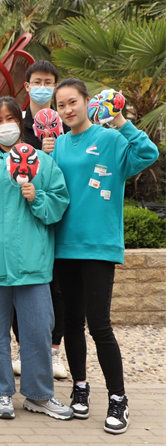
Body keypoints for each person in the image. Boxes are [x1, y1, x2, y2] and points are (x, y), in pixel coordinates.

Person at [50, 79, 158, 435]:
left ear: (86, 101)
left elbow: (147, 154)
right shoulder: (59, 144)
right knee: (71, 323)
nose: (68, 109)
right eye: (61, 105)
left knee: (99, 324)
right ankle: (80, 388)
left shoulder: (111, 139)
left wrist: (120, 121)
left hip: (98, 246)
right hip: (64, 246)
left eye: (73, 102)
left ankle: (118, 398)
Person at [0, 97, 73, 422]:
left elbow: (59, 204)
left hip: (33, 264)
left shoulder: (43, 162)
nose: (4, 125)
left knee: (37, 332)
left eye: (10, 118)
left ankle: (39, 394)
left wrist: (37, 197)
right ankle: (2, 392)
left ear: (20, 123)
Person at [13, 60, 68, 379]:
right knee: (20, 282)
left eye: (49, 82)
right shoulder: (16, 125)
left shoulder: (66, 125)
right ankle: (22, 348)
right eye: (37, 81)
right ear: (27, 86)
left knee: (56, 285)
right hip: (23, 217)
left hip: (57, 215)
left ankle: (54, 350)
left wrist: (54, 150)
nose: (43, 87)